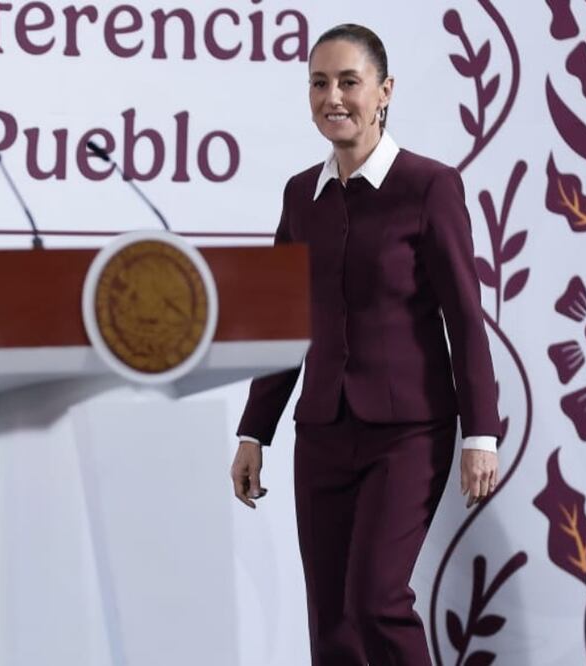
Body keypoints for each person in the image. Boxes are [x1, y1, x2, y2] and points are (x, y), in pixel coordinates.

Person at [229, 23, 502, 666]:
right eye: (319, 83)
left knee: (376, 601)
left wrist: (480, 435)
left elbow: (465, 318)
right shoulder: (301, 195)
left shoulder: (429, 186)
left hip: (408, 433)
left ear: (384, 91)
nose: (333, 97)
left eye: (349, 81)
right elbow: (284, 318)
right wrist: (254, 432)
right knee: (330, 624)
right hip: (322, 432)